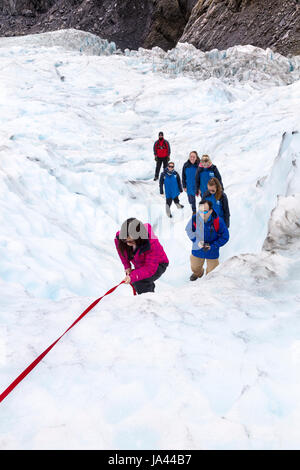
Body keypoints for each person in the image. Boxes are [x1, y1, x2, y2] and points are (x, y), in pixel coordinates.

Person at [115, 218, 169, 294]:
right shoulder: (121, 237)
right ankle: (148, 292)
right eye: (125, 241)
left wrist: (133, 276)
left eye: (131, 241)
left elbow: (150, 268)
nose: (127, 244)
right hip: (140, 263)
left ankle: (149, 301)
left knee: (139, 281)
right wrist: (127, 266)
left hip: (158, 264)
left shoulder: (152, 244)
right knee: (138, 279)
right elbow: (122, 252)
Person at [185, 199, 229, 280]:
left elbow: (225, 236)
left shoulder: (218, 221)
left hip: (212, 250)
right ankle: (198, 273)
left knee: (212, 274)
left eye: (205, 211)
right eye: (200, 211)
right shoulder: (195, 218)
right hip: (198, 248)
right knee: (195, 268)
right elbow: (188, 229)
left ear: (211, 211)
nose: (202, 214)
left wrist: (213, 246)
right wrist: (196, 241)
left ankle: (207, 283)